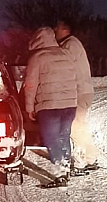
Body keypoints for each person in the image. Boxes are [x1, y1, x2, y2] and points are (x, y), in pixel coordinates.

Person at [23, 26, 78, 187]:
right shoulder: (66, 54)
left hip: (49, 106)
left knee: (52, 139)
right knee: (64, 135)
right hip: (70, 104)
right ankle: (67, 167)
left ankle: (61, 174)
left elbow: (30, 85)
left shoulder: (37, 57)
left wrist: (29, 107)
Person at [54, 17, 100, 173]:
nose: (55, 31)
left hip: (78, 92)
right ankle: (90, 158)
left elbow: (60, 65)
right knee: (80, 127)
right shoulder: (73, 44)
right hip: (83, 91)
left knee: (74, 128)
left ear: (66, 30)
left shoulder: (70, 45)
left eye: (58, 28)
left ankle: (80, 163)